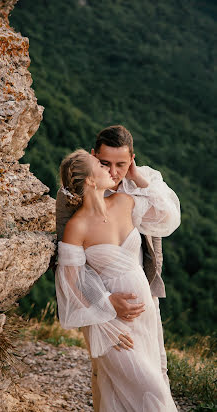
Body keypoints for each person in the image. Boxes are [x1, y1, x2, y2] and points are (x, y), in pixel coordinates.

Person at [56, 125, 175, 411]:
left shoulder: (128, 197)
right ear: (92, 173)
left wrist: (138, 177)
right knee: (144, 388)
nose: (113, 171)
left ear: (131, 159)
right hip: (103, 318)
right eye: (104, 164)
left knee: (150, 379)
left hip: (144, 309)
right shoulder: (75, 221)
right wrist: (105, 307)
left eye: (121, 165)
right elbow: (69, 277)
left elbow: (166, 215)